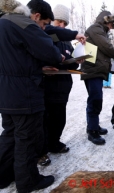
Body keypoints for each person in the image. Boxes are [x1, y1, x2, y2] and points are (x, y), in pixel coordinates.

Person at [0, 0, 64, 192]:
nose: (44, 28)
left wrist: (38, 67)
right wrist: (57, 57)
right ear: (36, 16)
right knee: (27, 139)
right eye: (44, 24)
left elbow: (15, 58)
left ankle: (3, 176)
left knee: (10, 135)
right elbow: (51, 52)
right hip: (24, 94)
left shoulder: (4, 21)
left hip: (6, 91)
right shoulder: (24, 23)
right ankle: (28, 181)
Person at [37, 4, 86, 166]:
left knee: (59, 119)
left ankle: (54, 143)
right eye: (59, 21)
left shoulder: (66, 42)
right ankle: (41, 152)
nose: (62, 25)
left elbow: (72, 64)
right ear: (51, 20)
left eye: (65, 23)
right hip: (46, 87)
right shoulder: (44, 35)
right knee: (43, 122)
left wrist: (77, 61)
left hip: (63, 87)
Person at [81, 11, 114, 145]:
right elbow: (107, 48)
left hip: (96, 71)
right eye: (110, 25)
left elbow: (102, 57)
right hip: (91, 72)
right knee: (95, 100)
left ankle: (93, 125)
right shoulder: (95, 29)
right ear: (105, 21)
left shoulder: (101, 32)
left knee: (95, 100)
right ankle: (92, 131)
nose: (110, 28)